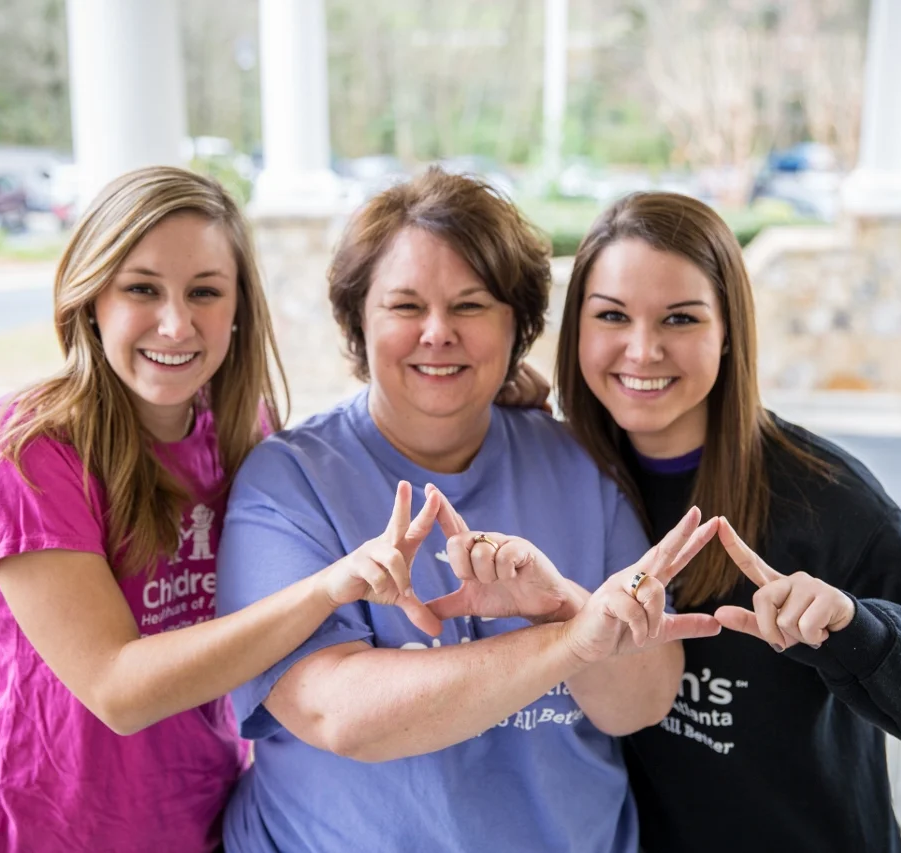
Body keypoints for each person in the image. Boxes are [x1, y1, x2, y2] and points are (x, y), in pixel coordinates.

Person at [0, 166, 453, 853]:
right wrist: (327, 585)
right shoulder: (28, 448)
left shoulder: (246, 426)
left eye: (205, 292)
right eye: (142, 289)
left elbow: (349, 450)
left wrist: (485, 398)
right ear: (91, 294)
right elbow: (117, 688)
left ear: (238, 305)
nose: (176, 322)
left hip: (201, 824)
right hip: (42, 835)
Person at [215, 168, 722, 853]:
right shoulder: (287, 481)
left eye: (471, 305)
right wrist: (568, 640)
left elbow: (640, 702)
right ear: (357, 321)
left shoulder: (579, 463)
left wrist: (560, 604)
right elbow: (339, 712)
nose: (437, 333)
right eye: (403, 306)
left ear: (518, 327)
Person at [553, 191, 901, 852]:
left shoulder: (822, 496)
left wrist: (858, 630)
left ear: (728, 332)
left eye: (680, 318)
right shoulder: (564, 479)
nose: (642, 349)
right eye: (611, 315)